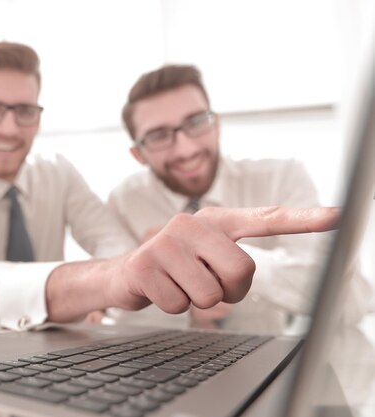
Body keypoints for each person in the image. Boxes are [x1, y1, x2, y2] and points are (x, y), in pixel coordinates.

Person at [0, 41, 340, 332]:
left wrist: (150, 268)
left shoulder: (58, 173)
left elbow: (115, 247)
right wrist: (109, 280)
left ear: (39, 117)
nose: (8, 126)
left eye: (24, 110)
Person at [108, 64, 370, 329]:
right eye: (158, 135)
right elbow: (116, 309)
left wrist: (210, 251)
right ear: (138, 155)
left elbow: (347, 299)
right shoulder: (124, 203)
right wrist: (181, 310)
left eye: (196, 122)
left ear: (216, 124)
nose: (186, 149)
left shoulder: (282, 177)